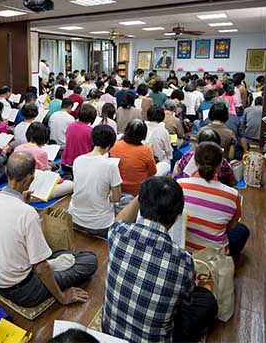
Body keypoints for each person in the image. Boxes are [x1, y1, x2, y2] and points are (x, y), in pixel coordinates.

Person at [103, 177, 218, 342]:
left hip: (109, 331)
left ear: (141, 204)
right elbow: (184, 304)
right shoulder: (184, 261)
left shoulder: (117, 233)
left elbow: (119, 220)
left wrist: (143, 196)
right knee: (207, 301)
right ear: (177, 216)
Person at [0, 152, 97, 307]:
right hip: (25, 291)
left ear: (7, 172)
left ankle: (52, 264)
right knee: (89, 260)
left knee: (55, 253)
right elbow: (41, 269)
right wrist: (62, 297)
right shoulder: (27, 213)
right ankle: (53, 267)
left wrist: (22, 202)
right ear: (30, 178)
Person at [178, 142, 250, 257]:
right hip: (213, 257)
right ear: (221, 164)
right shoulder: (232, 195)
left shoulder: (179, 185)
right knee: (242, 230)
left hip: (182, 250)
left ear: (195, 162)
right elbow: (231, 226)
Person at [69, 125, 122, 238]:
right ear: (110, 145)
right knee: (127, 200)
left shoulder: (78, 160)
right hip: (100, 225)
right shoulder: (111, 165)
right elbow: (116, 198)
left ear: (92, 140)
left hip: (74, 218)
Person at [13, 123, 74, 199]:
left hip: (17, 185)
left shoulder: (18, 148)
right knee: (71, 185)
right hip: (34, 188)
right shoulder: (41, 152)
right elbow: (46, 178)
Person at [110, 120, 156, 196]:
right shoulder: (146, 150)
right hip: (137, 191)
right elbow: (153, 172)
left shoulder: (115, 145)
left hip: (117, 188)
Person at [145, 105, 173, 176]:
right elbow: (168, 151)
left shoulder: (142, 127)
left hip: (142, 160)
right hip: (158, 162)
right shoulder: (163, 131)